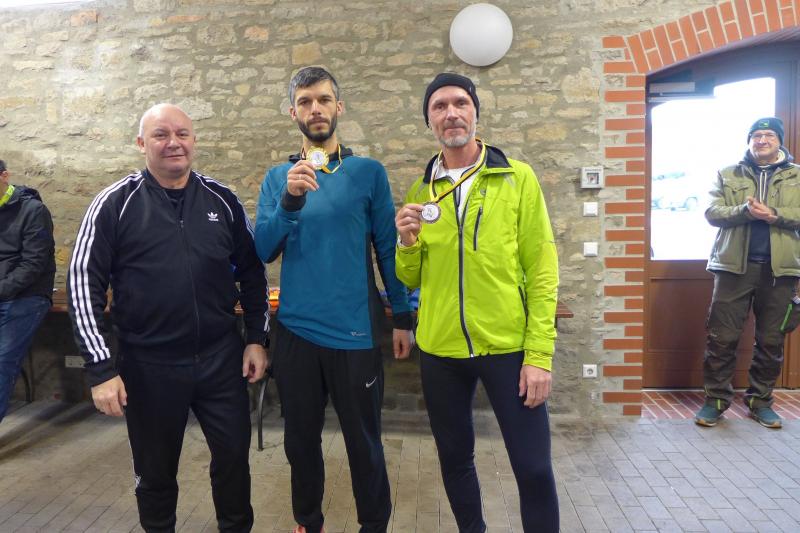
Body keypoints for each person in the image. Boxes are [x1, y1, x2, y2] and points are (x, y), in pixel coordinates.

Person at [68, 104, 269, 532]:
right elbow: (83, 284)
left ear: (194, 140)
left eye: (182, 134)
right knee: (156, 473)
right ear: (142, 143)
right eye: (161, 135)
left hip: (220, 360)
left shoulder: (222, 200)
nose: (173, 143)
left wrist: (256, 338)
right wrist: (101, 369)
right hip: (149, 366)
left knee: (234, 460)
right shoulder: (114, 204)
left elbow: (253, 272)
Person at [394, 73, 560, 533]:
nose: (451, 113)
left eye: (460, 103)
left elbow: (542, 271)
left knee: (533, 466)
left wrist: (539, 355)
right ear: (429, 121)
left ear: (475, 112)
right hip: (440, 350)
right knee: (454, 459)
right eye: (439, 106)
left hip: (507, 347)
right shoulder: (421, 191)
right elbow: (410, 277)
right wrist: (405, 243)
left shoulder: (516, 178)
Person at [254, 66, 413, 533]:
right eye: (305, 102)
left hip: (355, 333)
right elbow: (262, 249)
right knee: (300, 443)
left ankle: (373, 525)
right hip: (296, 332)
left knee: (364, 443)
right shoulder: (278, 178)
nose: (315, 109)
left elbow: (388, 248)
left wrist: (402, 316)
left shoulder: (367, 173)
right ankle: (308, 522)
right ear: (293, 113)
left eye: (323, 99)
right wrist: (289, 200)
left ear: (338, 107)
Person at [695, 117, 800, 429]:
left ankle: (760, 401)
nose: (762, 140)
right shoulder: (728, 173)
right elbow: (712, 212)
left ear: (779, 140)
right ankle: (715, 401)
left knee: (771, 340)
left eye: (769, 135)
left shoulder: (797, 176)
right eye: (756, 135)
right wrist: (744, 210)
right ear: (749, 140)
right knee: (721, 338)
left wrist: (774, 215)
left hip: (779, 271)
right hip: (732, 268)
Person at [0, 159, 56, 423]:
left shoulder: (33, 211)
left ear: (4, 176)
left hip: (27, 295)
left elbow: (33, 265)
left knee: (2, 360)